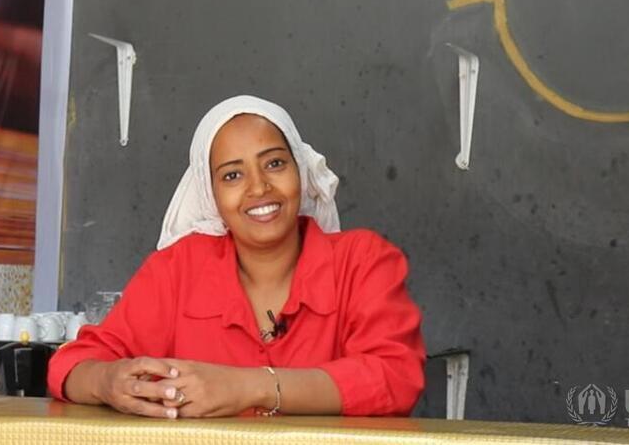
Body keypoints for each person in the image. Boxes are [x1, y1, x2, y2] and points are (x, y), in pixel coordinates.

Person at [47, 95, 425, 417]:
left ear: (300, 171)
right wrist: (108, 382)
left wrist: (248, 386)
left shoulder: (363, 261)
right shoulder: (177, 270)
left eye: (275, 163)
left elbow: (395, 375)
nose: (259, 186)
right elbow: (71, 365)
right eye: (232, 175)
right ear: (211, 195)